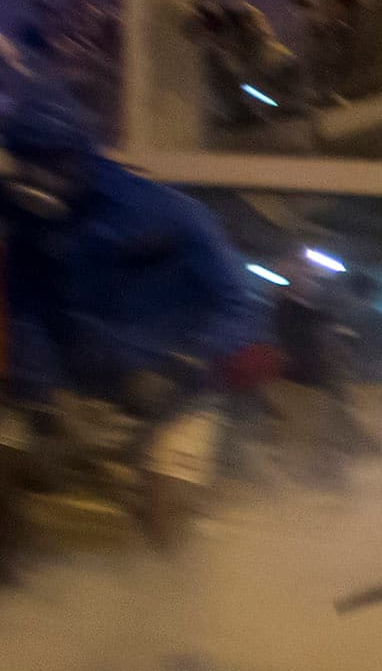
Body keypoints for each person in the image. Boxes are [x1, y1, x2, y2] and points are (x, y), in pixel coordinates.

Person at [0, 89, 270, 548]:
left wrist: (183, 364)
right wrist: (40, 396)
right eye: (26, 160)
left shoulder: (168, 212)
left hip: (178, 393)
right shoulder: (30, 224)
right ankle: (25, 599)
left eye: (50, 160)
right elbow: (28, 312)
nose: (37, 175)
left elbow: (239, 303)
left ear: (78, 156)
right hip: (77, 395)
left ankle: (170, 609)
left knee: (166, 504)